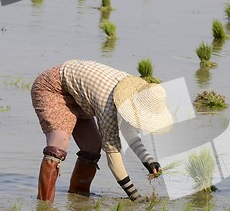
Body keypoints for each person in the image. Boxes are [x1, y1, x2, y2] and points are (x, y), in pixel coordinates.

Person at [30, 59, 173, 203]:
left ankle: (78, 199)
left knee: (92, 146)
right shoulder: (109, 107)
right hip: (53, 88)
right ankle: (44, 206)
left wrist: (148, 161)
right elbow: (113, 157)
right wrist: (134, 195)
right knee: (60, 143)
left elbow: (129, 132)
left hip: (79, 96)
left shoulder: (135, 95)